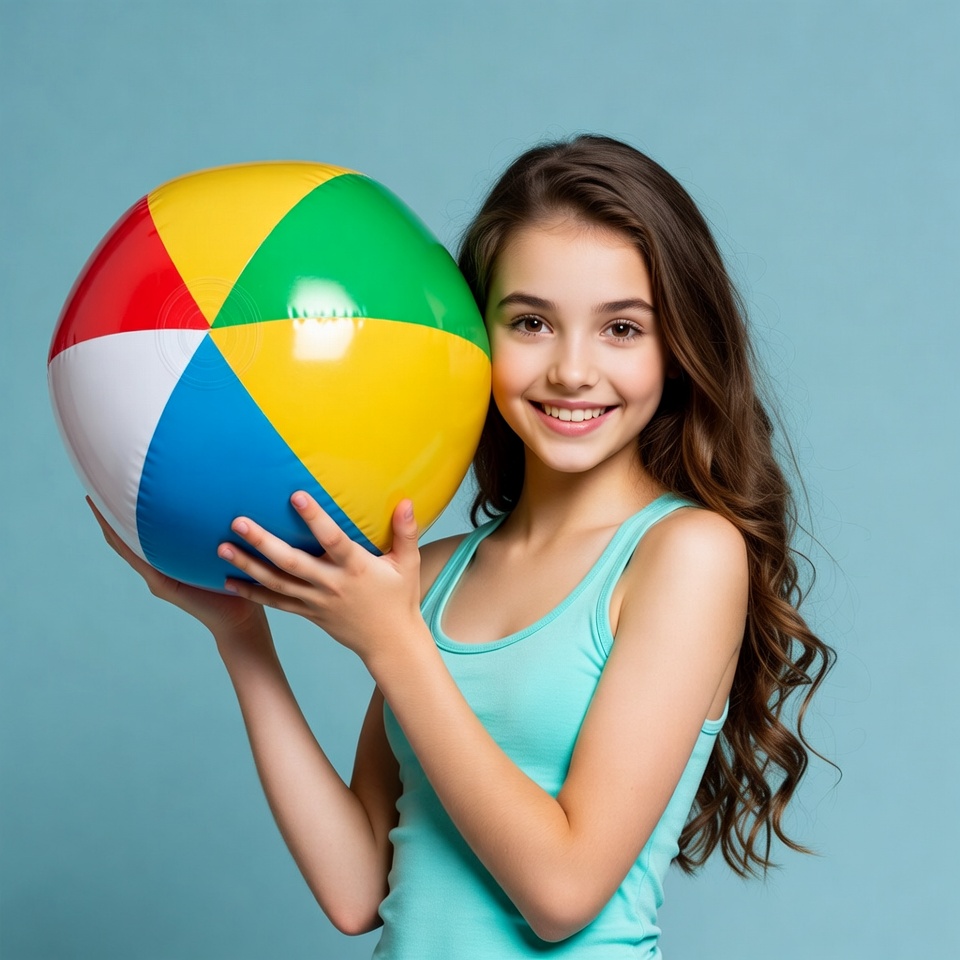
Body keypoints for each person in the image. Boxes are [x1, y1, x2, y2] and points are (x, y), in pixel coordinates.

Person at [91, 134, 833, 957]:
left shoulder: (685, 555)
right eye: (531, 323)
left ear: (678, 346)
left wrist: (393, 642)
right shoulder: (432, 574)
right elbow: (354, 891)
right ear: (472, 336)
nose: (573, 371)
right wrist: (241, 637)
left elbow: (563, 892)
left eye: (622, 328)